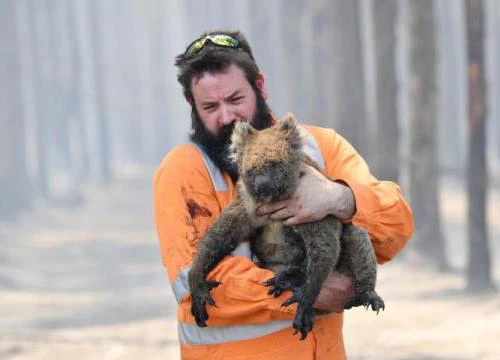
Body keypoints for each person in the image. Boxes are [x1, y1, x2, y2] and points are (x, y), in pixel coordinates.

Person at [153, 30, 414, 359]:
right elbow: (192, 282)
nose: (226, 117)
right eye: (209, 106)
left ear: (260, 87)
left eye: (235, 100)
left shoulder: (319, 147)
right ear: (192, 105)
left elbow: (396, 226)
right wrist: (304, 291)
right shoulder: (185, 169)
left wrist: (340, 198)